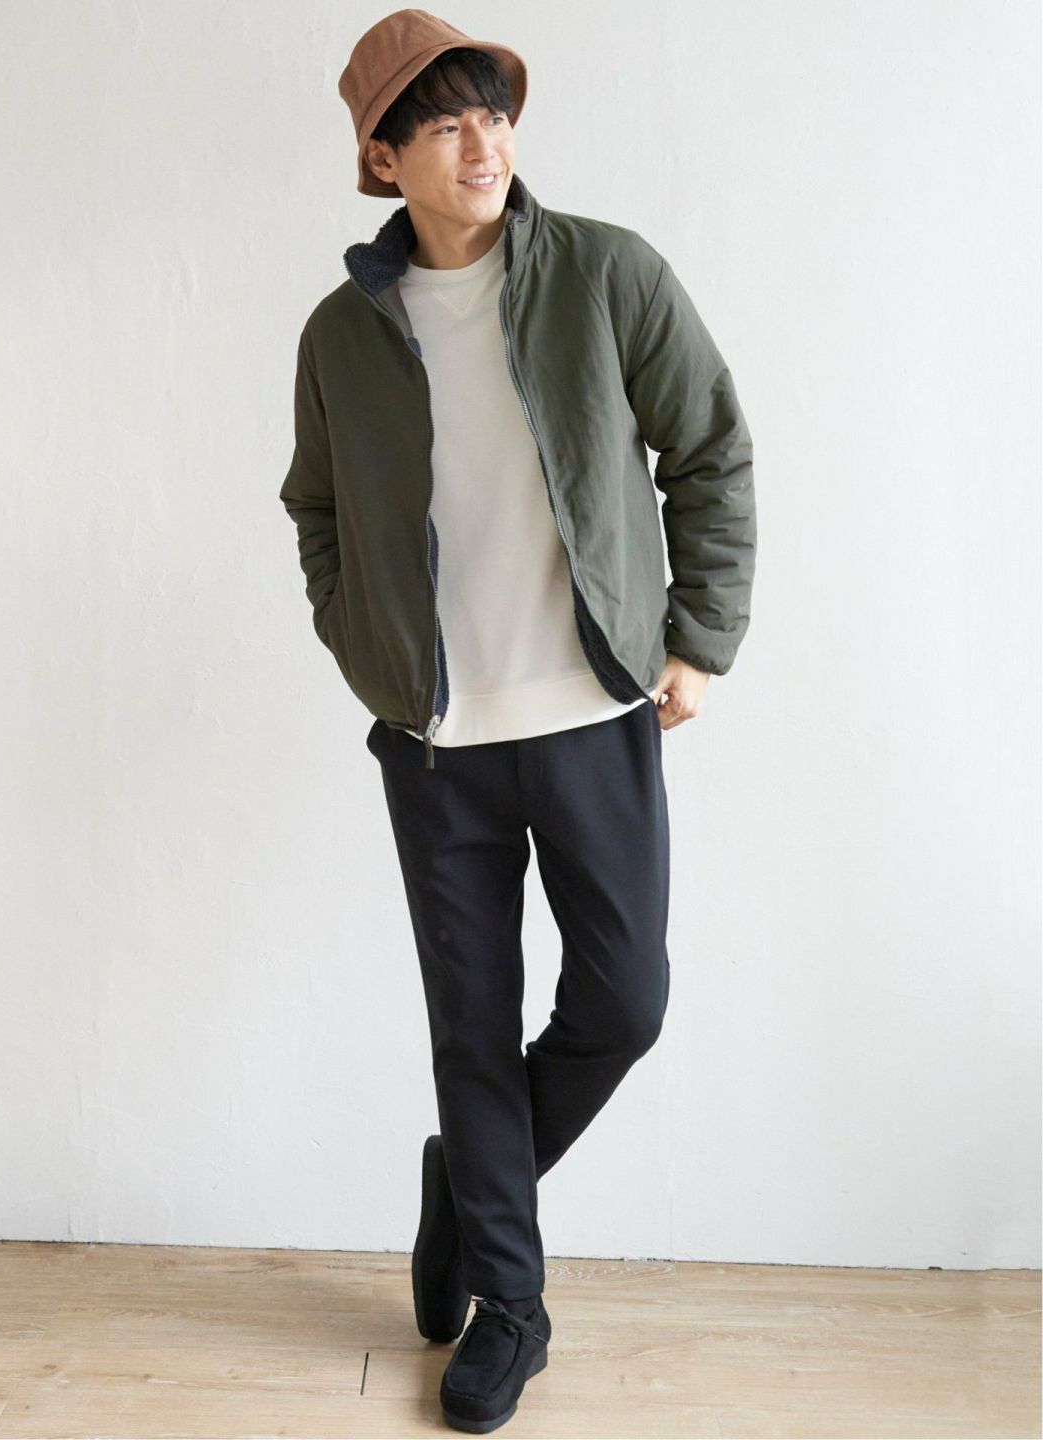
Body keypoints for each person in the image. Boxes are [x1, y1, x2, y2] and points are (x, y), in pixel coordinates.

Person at [279, 10, 757, 1432]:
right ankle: (510, 1306)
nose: (482, 143)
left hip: (594, 712)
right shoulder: (343, 333)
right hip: (437, 742)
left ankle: (471, 1186)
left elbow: (710, 447)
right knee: (472, 1030)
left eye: (493, 112)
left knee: (625, 1002)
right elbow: (316, 511)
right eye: (444, 122)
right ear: (385, 157)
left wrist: (701, 638)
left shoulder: (605, 273)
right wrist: (366, 652)